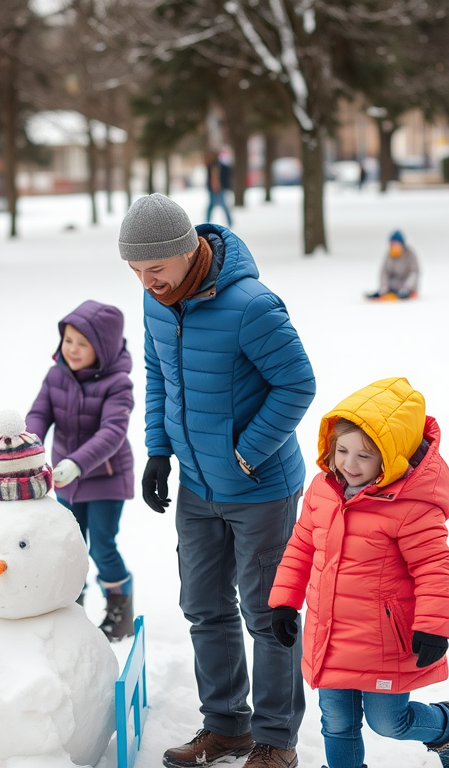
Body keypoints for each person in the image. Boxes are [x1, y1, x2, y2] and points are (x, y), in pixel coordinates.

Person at [119, 193, 316, 768]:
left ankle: (276, 739)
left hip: (260, 490)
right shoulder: (157, 304)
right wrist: (158, 451)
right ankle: (226, 725)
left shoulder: (251, 305)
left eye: (154, 267)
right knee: (204, 605)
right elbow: (158, 374)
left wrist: (248, 455)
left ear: (187, 251)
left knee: (267, 614)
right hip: (198, 488)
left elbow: (297, 385)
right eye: (135, 270)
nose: (146, 281)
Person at [269, 379, 449, 768]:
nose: (349, 464)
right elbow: (301, 546)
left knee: (390, 723)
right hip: (328, 635)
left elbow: (434, 568)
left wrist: (433, 626)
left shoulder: (412, 505)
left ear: (390, 458)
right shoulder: (322, 490)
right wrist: (284, 602)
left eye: (364, 456)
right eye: (342, 450)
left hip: (382, 641)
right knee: (336, 722)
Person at [25, 300, 136, 641]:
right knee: (70, 545)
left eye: (82, 343)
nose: (72, 349)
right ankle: (73, 606)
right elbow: (40, 413)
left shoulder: (117, 383)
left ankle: (120, 606)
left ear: (101, 348)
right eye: (68, 340)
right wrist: (28, 442)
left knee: (101, 545)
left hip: (105, 478)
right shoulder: (56, 374)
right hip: (65, 479)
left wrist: (77, 463)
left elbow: (112, 432)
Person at [365, 230, 419, 300]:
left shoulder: (409, 255)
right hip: (393, 285)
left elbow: (414, 272)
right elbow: (384, 272)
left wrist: (407, 288)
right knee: (387, 290)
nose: (394, 246)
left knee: (404, 294)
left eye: (396, 244)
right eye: (392, 244)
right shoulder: (388, 255)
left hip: (406, 286)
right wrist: (383, 288)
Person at [205, 150, 233, 227]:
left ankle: (230, 222)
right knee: (212, 206)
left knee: (223, 206)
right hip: (213, 189)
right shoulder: (211, 165)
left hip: (219, 188)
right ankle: (207, 221)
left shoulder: (218, 165)